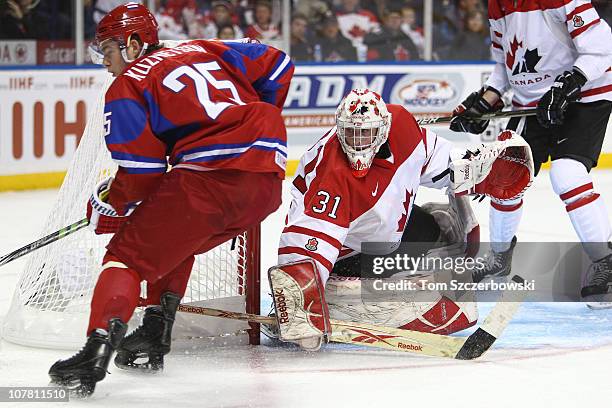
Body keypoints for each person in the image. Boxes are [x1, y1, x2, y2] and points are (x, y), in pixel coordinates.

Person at [48, 2, 294, 396]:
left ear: (132, 44)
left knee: (124, 258)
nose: (106, 65)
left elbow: (142, 174)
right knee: (179, 239)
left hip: (207, 180)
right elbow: (278, 63)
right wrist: (253, 116)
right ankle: (154, 332)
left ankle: (94, 351)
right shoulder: (204, 47)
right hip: (265, 181)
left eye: (107, 52)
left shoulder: (127, 85)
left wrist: (111, 206)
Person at [269, 88, 534, 350]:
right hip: (346, 255)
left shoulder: (402, 127)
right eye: (351, 133)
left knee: (447, 230)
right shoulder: (332, 178)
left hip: (386, 232)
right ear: (339, 128)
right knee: (455, 306)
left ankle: (372, 290)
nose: (358, 142)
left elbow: (438, 162)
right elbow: (304, 247)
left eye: (366, 133)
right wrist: (297, 306)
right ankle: (342, 302)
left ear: (383, 129)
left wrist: (476, 170)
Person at [449, 0, 612, 298]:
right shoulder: (498, 5)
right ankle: (499, 258)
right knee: (504, 175)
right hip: (533, 106)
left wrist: (568, 85)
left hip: (586, 97)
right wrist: (486, 100)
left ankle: (606, 260)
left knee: (567, 173)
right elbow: (506, 64)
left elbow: (602, 48)